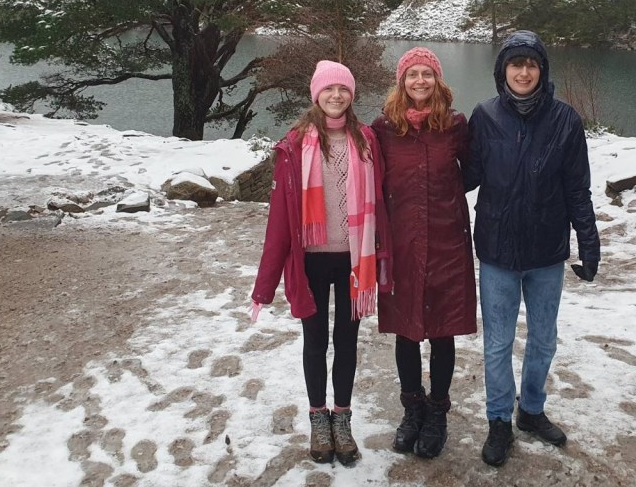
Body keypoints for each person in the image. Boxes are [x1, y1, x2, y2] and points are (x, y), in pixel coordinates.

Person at [465, 30, 601, 467]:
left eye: (531, 64)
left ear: (542, 69)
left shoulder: (565, 120)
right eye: (515, 64)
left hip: (546, 251)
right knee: (498, 343)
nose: (523, 72)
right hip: (497, 251)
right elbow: (463, 178)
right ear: (502, 70)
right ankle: (499, 420)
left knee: (543, 339)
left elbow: (577, 189)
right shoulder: (484, 117)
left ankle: (531, 409)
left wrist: (589, 242)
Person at [250, 60, 391, 467]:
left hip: (354, 260)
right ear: (316, 94)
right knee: (315, 342)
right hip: (310, 262)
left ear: (351, 95)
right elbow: (280, 219)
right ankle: (318, 418)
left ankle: (342, 418)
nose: (336, 95)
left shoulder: (366, 139)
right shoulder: (295, 144)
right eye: (328, 89)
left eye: (343, 89)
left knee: (346, 342)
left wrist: (387, 256)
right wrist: (263, 287)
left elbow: (382, 201)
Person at [372, 47, 476, 459]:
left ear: (437, 80)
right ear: (401, 81)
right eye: (412, 74)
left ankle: (437, 412)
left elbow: (474, 172)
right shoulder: (383, 128)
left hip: (447, 240)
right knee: (406, 329)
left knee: (442, 329)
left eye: (427, 74)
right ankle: (412, 408)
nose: (420, 81)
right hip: (401, 243)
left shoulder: (455, 125)